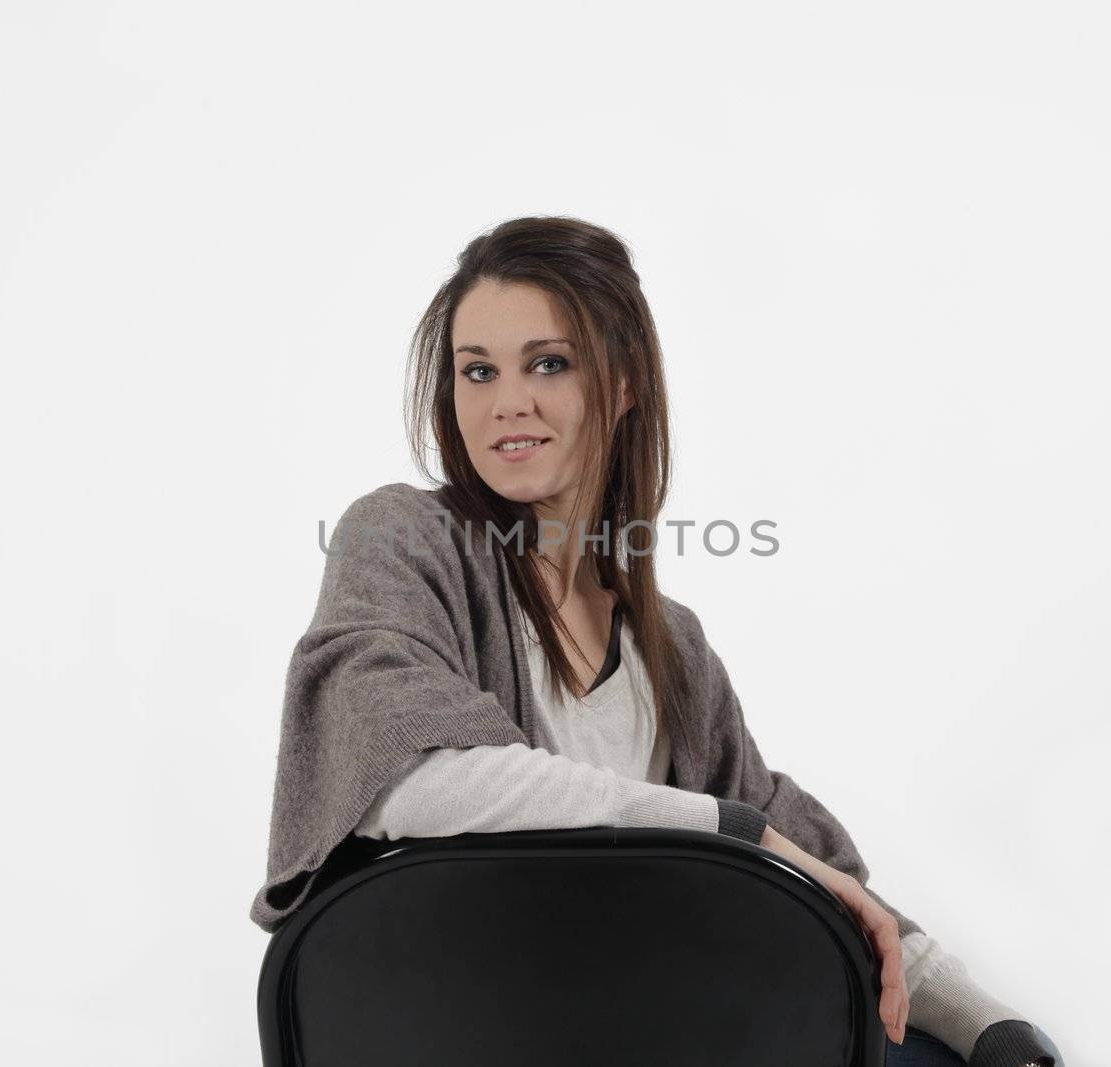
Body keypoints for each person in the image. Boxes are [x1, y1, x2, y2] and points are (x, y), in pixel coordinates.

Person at [252, 216, 1065, 1067]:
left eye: (549, 363)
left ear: (627, 381)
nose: (506, 403)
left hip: (659, 1023)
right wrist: (730, 829)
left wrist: (988, 1025)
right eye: (477, 370)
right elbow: (410, 776)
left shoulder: (670, 650)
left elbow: (824, 874)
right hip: (474, 1024)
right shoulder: (401, 538)